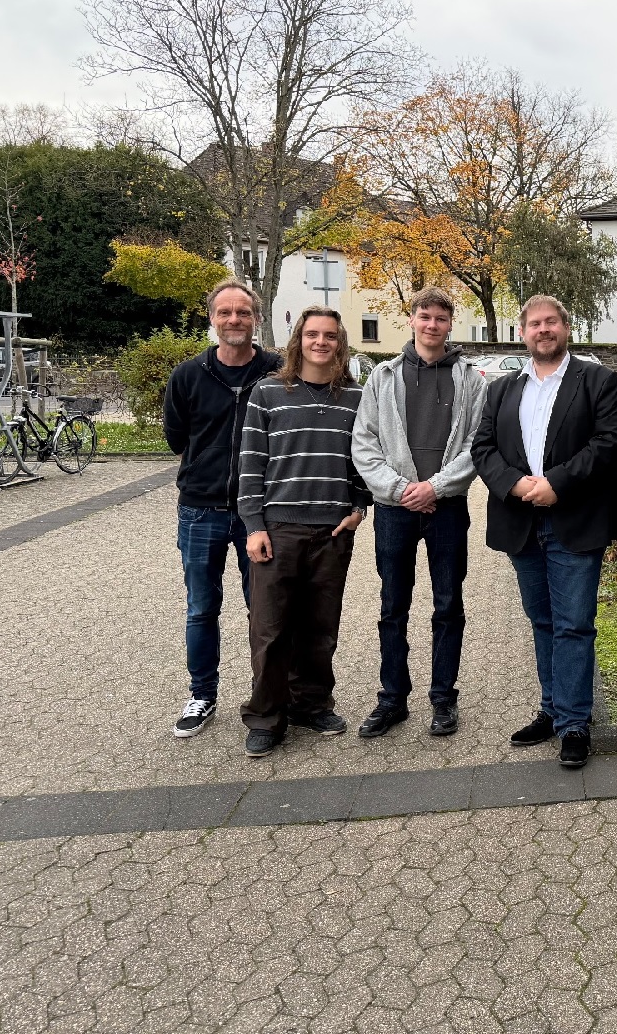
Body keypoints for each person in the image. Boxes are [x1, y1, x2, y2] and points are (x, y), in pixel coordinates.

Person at [472, 295, 617, 768]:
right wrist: (515, 484)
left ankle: (575, 723)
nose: (544, 329)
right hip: (522, 521)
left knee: (574, 625)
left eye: (552, 322)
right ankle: (552, 709)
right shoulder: (501, 390)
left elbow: (609, 442)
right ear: (523, 333)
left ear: (566, 327)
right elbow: (483, 447)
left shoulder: (597, 381)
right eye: (535, 323)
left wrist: (555, 484)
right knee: (542, 622)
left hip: (574, 520)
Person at [350, 286, 487, 739]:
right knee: (394, 606)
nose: (432, 325)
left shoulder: (471, 380)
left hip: (447, 508)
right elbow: (364, 443)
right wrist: (401, 488)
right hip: (395, 510)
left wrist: (436, 486)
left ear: (451, 325)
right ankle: (392, 699)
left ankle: (443, 699)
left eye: (441, 319)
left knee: (449, 604)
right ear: (411, 319)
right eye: (424, 316)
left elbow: (477, 445)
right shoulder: (383, 377)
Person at [237, 306, 370, 757]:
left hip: (332, 531)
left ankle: (310, 704)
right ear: (298, 340)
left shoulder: (355, 397)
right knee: (270, 630)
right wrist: (253, 525)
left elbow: (363, 462)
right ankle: (266, 716)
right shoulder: (268, 393)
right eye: (312, 334)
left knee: (320, 628)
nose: (321, 342)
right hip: (279, 529)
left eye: (329, 335)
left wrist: (359, 508)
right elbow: (251, 463)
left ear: (340, 342)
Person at [162, 280, 282, 738]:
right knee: (201, 608)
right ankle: (202, 694)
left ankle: (267, 692)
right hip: (201, 509)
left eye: (243, 313)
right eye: (225, 313)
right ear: (211, 319)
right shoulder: (188, 376)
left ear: (256, 319)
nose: (234, 320)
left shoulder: (276, 373)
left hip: (262, 512)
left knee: (264, 609)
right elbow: (177, 439)